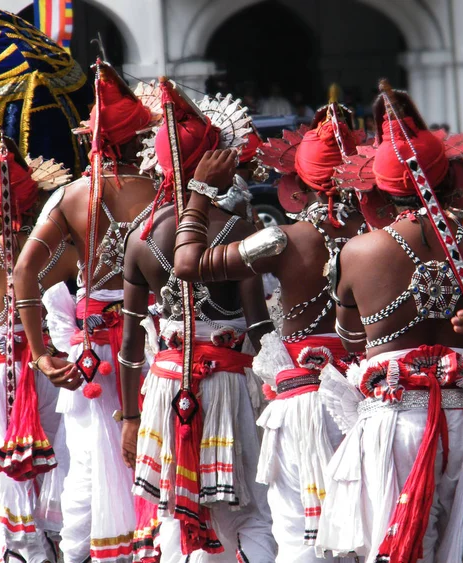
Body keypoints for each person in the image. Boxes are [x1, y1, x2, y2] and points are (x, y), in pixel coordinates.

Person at [315, 84, 463, 562]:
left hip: (396, 424)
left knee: (398, 549)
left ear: (378, 187)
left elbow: (350, 339)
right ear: (448, 177)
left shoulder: (358, 251)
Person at [172, 93, 366, 562]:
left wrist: (198, 194)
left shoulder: (282, 241)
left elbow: (187, 263)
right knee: (366, 526)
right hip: (373, 401)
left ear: (296, 191)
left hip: (305, 403)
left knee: (303, 530)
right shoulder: (382, 242)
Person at [119, 81, 277, 562]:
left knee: (178, 509)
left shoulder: (138, 237)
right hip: (229, 387)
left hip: (165, 390)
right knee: (251, 511)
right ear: (214, 165)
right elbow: (258, 329)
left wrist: (128, 418)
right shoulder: (240, 229)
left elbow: (130, 343)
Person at [13, 61, 159, 563]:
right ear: (138, 135)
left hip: (92, 351)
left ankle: (81, 554)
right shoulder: (166, 194)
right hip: (154, 342)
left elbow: (22, 273)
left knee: (90, 466)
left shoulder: (70, 196)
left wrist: (41, 353)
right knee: (149, 455)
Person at [0, 133, 77, 563]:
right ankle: (57, 535)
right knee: (55, 453)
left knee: (0, 456)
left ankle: (17, 546)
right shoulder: (60, 254)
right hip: (48, 367)